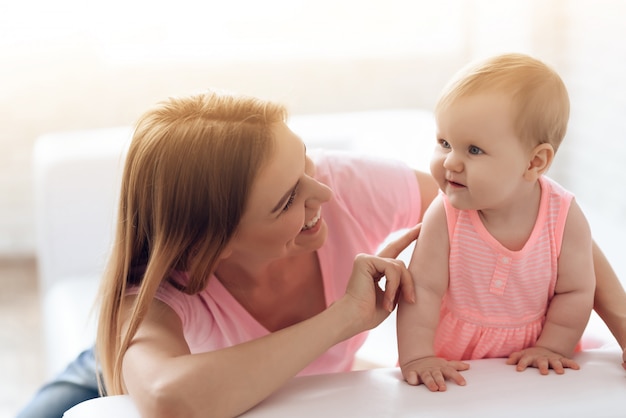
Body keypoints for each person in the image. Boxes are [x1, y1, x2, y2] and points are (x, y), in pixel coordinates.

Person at [16, 88, 626, 418]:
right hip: (93, 377)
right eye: (288, 200)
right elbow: (173, 402)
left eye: (307, 163)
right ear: (211, 242)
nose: (323, 194)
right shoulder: (154, 298)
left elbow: (545, 219)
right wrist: (345, 319)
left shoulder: (346, 187)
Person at [396, 53, 599, 392]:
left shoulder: (562, 216)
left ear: (535, 161)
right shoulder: (446, 215)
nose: (451, 162)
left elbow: (576, 291)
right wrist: (417, 357)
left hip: (532, 360)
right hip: (454, 361)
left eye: (473, 150)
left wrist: (551, 347)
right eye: (444, 143)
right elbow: (424, 290)